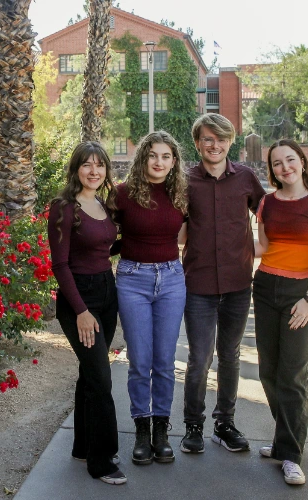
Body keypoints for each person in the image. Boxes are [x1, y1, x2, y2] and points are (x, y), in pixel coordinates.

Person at [253, 139, 308, 485]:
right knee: (268, 371)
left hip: (300, 293)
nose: (284, 167)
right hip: (265, 289)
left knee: (293, 373)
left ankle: (290, 454)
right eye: (277, 163)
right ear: (271, 170)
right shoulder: (266, 203)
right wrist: (220, 239)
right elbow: (262, 247)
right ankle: (283, 441)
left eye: (290, 160)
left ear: (301, 162)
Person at [180, 113, 265, 454]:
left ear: (231, 142)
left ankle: (224, 423)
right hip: (197, 285)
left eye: (222, 139)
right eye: (208, 139)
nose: (215, 145)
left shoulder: (245, 177)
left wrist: (261, 250)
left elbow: (270, 214)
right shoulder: (184, 180)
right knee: (199, 358)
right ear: (198, 142)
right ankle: (193, 426)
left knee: (229, 355)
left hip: (237, 284)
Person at [47, 141, 126, 484]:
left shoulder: (106, 205)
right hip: (79, 296)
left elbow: (106, 248)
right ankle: (102, 460)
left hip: (107, 292)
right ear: (76, 168)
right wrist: (80, 310)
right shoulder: (63, 207)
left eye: (100, 165)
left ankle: (82, 446)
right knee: (101, 377)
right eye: (87, 165)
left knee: (89, 374)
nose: (94, 171)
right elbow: (60, 265)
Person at [114, 131, 189, 465]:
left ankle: (162, 429)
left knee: (165, 361)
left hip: (172, 279)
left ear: (174, 162)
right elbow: (102, 235)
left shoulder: (181, 195)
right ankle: (141, 430)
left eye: (166, 156)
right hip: (133, 280)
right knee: (140, 361)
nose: (159, 162)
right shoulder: (121, 195)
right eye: (153, 155)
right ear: (143, 157)